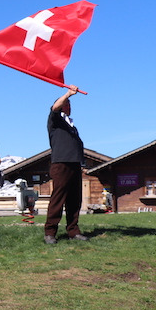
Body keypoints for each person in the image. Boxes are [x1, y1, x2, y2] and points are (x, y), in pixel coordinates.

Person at [45, 85, 88, 244]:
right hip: (61, 163)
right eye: (66, 103)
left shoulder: (72, 126)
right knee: (58, 198)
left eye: (70, 104)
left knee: (74, 199)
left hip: (74, 164)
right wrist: (69, 93)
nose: (68, 106)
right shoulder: (55, 120)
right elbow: (55, 107)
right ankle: (50, 232)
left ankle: (73, 231)